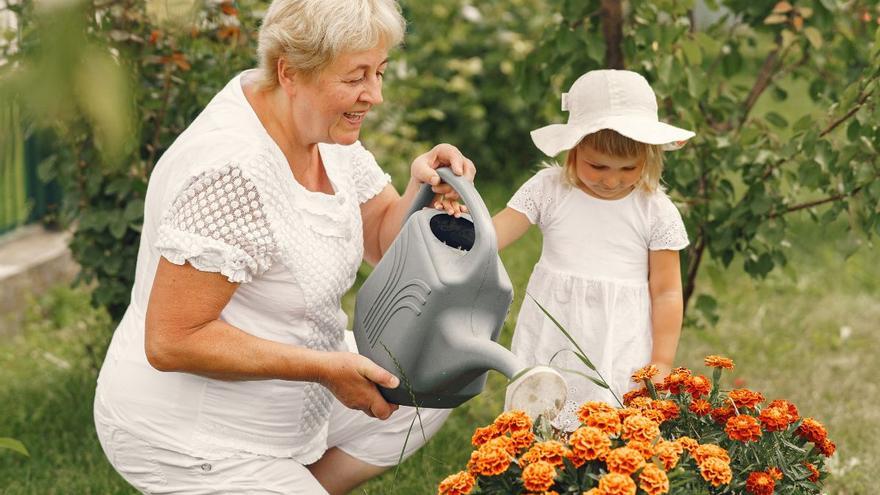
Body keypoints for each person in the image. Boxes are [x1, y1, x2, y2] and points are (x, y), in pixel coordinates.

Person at [93, 1, 476, 493]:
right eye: (357, 76)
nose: (375, 95)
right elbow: (173, 339)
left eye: (379, 72)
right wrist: (326, 368)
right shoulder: (230, 171)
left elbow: (381, 237)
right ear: (290, 71)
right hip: (192, 434)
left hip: (292, 399)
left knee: (431, 381)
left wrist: (422, 192)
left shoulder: (318, 127)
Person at [492, 69, 695, 429]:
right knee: (542, 418)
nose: (611, 179)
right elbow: (494, 235)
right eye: (597, 165)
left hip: (618, 338)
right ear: (574, 148)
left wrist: (663, 360)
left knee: (611, 424)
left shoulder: (655, 210)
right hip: (555, 325)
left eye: (628, 168)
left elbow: (666, 292)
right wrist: (461, 223)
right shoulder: (549, 190)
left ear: (648, 158)